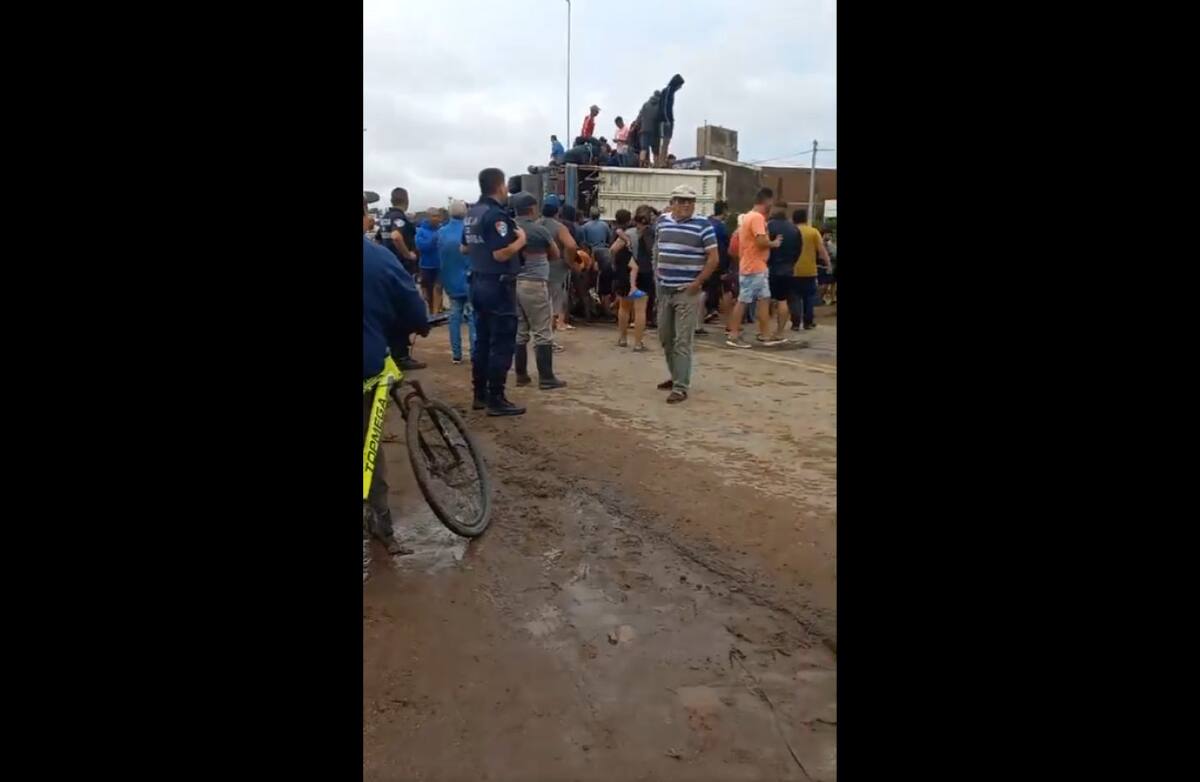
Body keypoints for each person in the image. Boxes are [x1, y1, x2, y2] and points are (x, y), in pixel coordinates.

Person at [363, 197, 430, 575]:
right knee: (369, 442)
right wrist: (418, 324)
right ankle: (381, 522)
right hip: (368, 362)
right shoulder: (378, 257)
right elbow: (410, 303)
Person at [462, 167, 528, 416]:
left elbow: (464, 248)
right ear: (500, 186)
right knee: (501, 342)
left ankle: (479, 394)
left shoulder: (472, 214)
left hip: (478, 281)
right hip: (498, 285)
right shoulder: (495, 216)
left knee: (482, 340)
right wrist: (520, 240)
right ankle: (496, 398)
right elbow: (500, 253)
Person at [653, 185, 719, 403]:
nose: (685, 205)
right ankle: (676, 376)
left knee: (682, 340)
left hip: (686, 291)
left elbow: (713, 258)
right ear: (672, 202)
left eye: (689, 201)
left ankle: (681, 386)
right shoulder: (662, 221)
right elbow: (657, 249)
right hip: (664, 289)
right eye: (681, 201)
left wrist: (697, 283)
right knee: (665, 337)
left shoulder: (703, 225)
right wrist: (658, 276)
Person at [510, 192, 568, 390]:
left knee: (520, 330)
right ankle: (546, 378)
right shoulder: (539, 230)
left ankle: (521, 375)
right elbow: (555, 254)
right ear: (532, 209)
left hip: (513, 282)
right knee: (542, 331)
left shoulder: (508, 229)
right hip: (535, 283)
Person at [727, 188, 785, 348]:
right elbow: (760, 241)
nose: (772, 206)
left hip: (755, 265)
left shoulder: (748, 217)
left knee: (763, 299)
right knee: (744, 300)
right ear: (766, 201)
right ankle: (733, 335)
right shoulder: (757, 218)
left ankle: (765, 335)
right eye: (771, 202)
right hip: (754, 266)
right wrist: (774, 243)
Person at [376, 187, 426, 370]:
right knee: (401, 311)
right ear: (406, 199)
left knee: (390, 311)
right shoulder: (399, 218)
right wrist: (408, 255)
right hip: (400, 269)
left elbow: (380, 240)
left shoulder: (385, 218)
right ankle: (401, 355)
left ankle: (393, 350)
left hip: (387, 269)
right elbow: (397, 236)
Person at [609, 207, 653, 351]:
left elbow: (613, 250)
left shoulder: (629, 233)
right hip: (646, 273)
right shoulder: (654, 234)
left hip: (627, 273)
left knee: (624, 307)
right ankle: (638, 343)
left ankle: (622, 339)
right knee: (640, 310)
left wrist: (619, 262)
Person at [438, 200, 475, 364]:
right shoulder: (471, 231)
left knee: (454, 318)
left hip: (450, 280)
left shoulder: (441, 232)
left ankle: (456, 354)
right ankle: (475, 352)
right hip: (470, 279)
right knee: (473, 317)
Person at [788, 209, 832, 331]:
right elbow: (821, 250)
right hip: (809, 270)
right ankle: (808, 321)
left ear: (794, 219)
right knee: (809, 296)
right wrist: (828, 264)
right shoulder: (813, 232)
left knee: (794, 297)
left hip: (793, 269)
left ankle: (795, 323)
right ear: (806, 218)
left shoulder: (791, 231)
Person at [766, 207, 801, 340]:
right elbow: (799, 249)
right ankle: (779, 332)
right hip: (787, 269)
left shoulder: (769, 226)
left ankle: (765, 330)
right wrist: (791, 263)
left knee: (765, 300)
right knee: (782, 300)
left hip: (770, 267)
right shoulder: (794, 229)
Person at [705, 201, 732, 325]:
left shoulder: (707, 222)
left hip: (704, 261)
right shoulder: (721, 227)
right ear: (724, 211)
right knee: (717, 288)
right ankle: (712, 310)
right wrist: (726, 267)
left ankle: (708, 310)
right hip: (718, 262)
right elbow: (727, 247)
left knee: (707, 287)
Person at [415, 210, 443, 315]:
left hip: (440, 265)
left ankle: (438, 310)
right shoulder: (420, 231)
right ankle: (432, 310)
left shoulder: (442, 229)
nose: (436, 218)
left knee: (439, 288)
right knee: (428, 290)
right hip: (426, 266)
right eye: (433, 216)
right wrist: (433, 241)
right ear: (428, 217)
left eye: (437, 216)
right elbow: (420, 247)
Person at [657, 74, 685, 165]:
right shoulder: (668, 91)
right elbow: (664, 106)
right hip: (667, 120)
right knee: (665, 142)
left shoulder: (670, 92)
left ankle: (662, 160)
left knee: (666, 142)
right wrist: (667, 119)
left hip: (668, 119)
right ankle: (661, 162)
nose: (680, 87)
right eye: (680, 85)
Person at [636, 91, 662, 168]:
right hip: (655, 132)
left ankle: (641, 165)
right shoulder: (660, 106)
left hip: (644, 130)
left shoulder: (645, 104)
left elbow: (639, 117)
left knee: (643, 149)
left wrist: (637, 125)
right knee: (656, 152)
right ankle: (656, 167)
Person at [821, 230, 837, 305]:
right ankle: (820, 298)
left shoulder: (830, 244)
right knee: (826, 283)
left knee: (833, 282)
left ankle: (833, 298)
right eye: (828, 234)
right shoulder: (823, 243)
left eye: (830, 235)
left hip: (833, 265)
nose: (829, 236)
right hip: (826, 266)